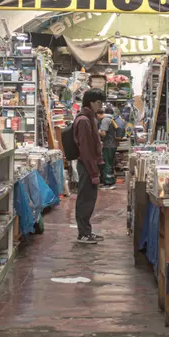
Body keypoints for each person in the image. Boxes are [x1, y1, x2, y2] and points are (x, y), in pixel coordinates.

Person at [73, 88, 106, 244]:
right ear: (91, 102)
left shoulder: (89, 118)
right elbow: (86, 150)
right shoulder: (84, 120)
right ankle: (83, 234)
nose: (100, 106)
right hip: (87, 165)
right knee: (85, 200)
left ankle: (87, 231)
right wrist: (93, 173)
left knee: (89, 199)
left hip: (89, 164)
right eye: (99, 102)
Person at [98, 105, 118, 190]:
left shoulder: (105, 120)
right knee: (110, 163)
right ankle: (109, 181)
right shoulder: (111, 118)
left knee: (107, 164)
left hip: (108, 145)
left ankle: (109, 183)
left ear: (99, 114)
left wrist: (96, 131)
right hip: (112, 144)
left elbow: (103, 133)